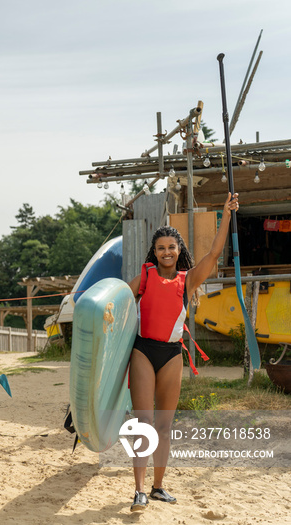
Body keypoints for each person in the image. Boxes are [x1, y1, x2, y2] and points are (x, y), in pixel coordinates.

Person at [127, 192, 239, 511]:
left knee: (164, 424)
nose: (166, 252)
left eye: (171, 247)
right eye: (161, 247)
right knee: (144, 420)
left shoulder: (186, 281)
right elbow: (120, 299)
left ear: (179, 251)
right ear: (155, 251)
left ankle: (158, 486)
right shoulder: (146, 276)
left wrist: (226, 213)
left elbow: (215, 253)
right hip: (144, 352)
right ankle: (138, 490)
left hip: (172, 354)